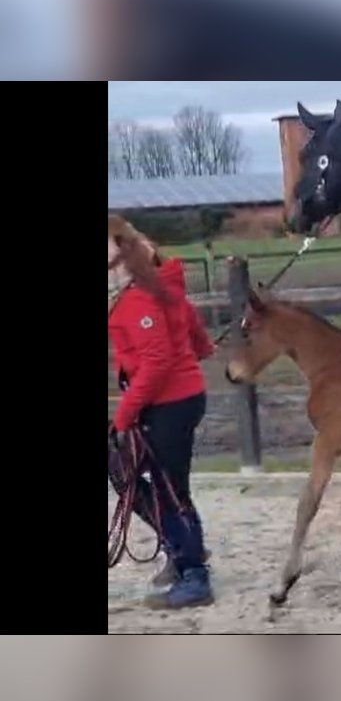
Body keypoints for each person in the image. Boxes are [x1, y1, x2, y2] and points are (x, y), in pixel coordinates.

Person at [108, 215, 215, 609]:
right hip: (175, 399)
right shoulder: (155, 288)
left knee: (170, 491)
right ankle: (183, 549)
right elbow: (192, 327)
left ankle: (194, 576)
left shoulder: (137, 299)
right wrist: (201, 349)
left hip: (168, 404)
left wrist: (122, 417)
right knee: (136, 476)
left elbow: (156, 362)